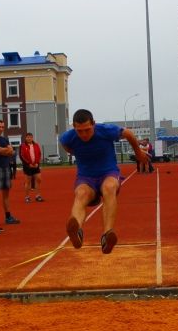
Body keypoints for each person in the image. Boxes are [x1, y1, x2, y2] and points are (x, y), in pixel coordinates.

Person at [60, 109, 147, 254]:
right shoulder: (68, 137)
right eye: (79, 131)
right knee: (81, 193)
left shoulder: (106, 130)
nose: (84, 135)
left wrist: (138, 152)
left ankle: (107, 235)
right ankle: (77, 232)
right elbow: (66, 146)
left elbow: (128, 133)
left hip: (108, 172)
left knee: (109, 187)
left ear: (94, 124)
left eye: (87, 130)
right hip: (86, 176)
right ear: (73, 127)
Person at [0, 119, 20, 225]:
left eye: (2, 127)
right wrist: (5, 150)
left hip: (6, 168)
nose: (1, 129)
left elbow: (11, 152)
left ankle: (8, 217)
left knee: (6, 194)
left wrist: (2, 150)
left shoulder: (4, 139)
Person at [20, 132, 44, 202]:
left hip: (36, 165)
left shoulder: (36, 145)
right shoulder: (23, 146)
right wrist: (28, 164)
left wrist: (37, 163)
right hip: (27, 166)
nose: (29, 138)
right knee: (28, 181)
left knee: (39, 179)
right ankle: (27, 197)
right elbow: (22, 156)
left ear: (32, 138)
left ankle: (37, 196)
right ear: (26, 138)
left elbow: (39, 154)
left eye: (30, 137)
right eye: (28, 137)